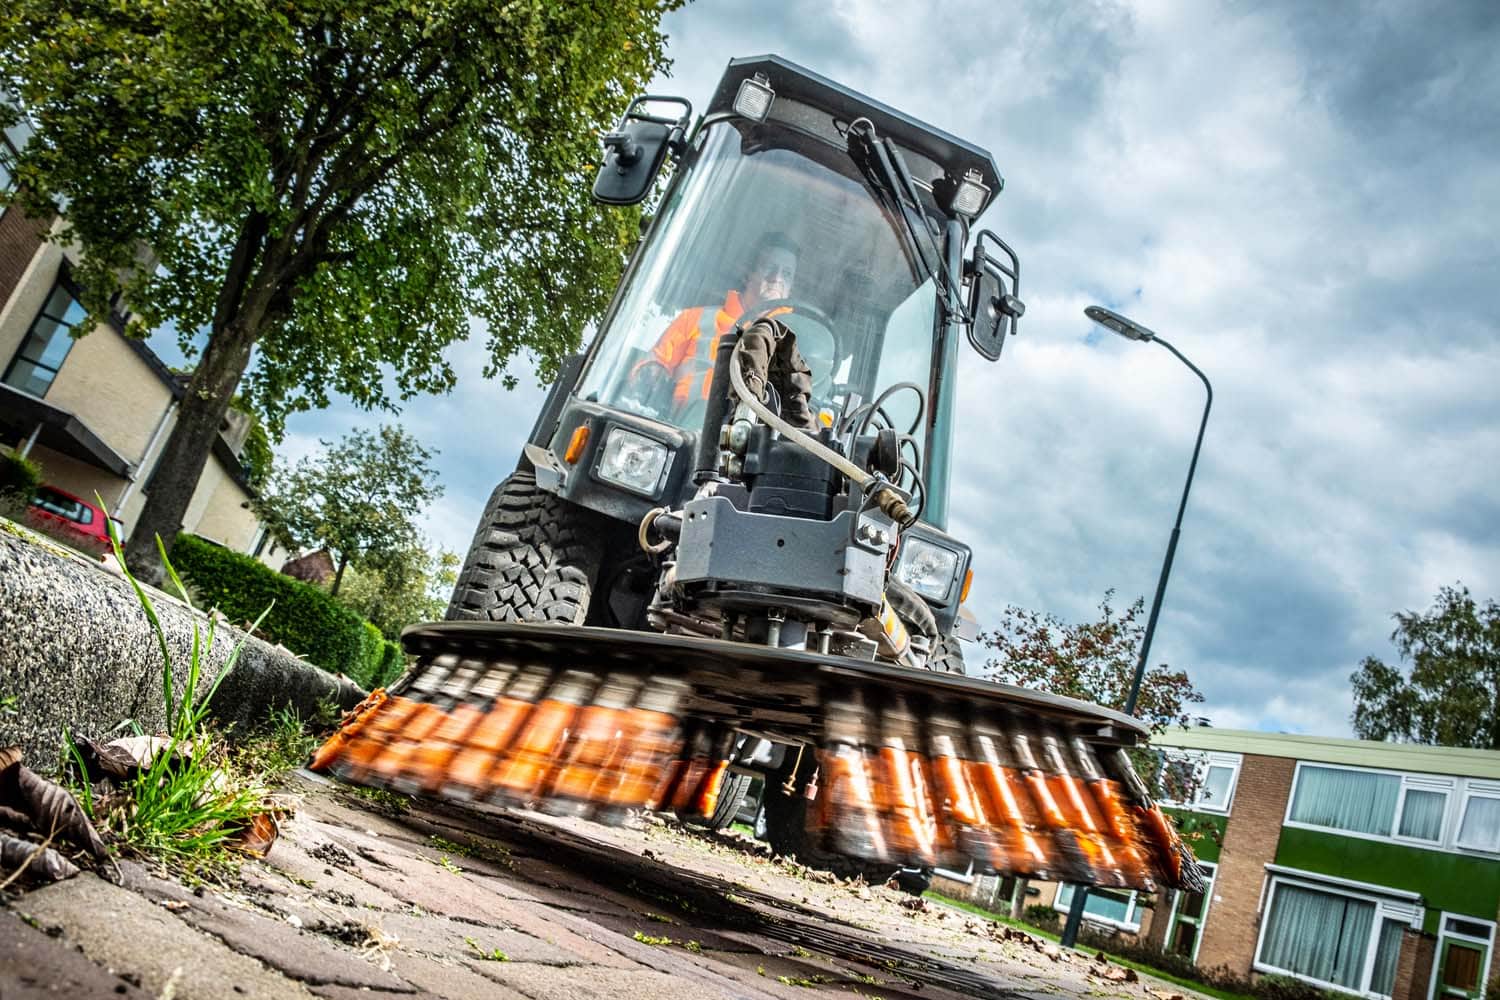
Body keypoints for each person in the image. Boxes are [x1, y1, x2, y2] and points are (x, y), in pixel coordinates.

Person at [634, 232, 799, 413]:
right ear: (748, 273)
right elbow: (648, 372)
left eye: (787, 274)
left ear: (791, 288)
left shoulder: (794, 343)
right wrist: (652, 373)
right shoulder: (693, 319)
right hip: (679, 431)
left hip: (747, 437)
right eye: (770, 268)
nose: (777, 279)